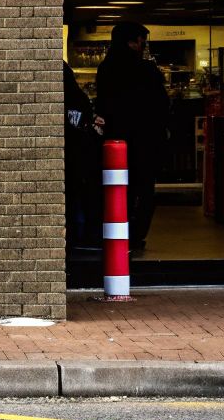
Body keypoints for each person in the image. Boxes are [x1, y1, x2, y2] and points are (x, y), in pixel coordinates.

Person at [92, 21, 168, 254]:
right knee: (144, 190)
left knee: (116, 190)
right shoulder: (147, 70)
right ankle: (136, 236)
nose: (143, 46)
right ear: (132, 42)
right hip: (145, 140)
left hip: (115, 142)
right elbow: (162, 104)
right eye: (141, 41)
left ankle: (117, 235)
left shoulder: (106, 69)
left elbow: (103, 103)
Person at [64, 61, 104, 253]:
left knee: (71, 198)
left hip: (69, 157)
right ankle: (88, 234)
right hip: (84, 156)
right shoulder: (79, 98)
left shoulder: (60, 99)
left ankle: (74, 236)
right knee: (86, 196)